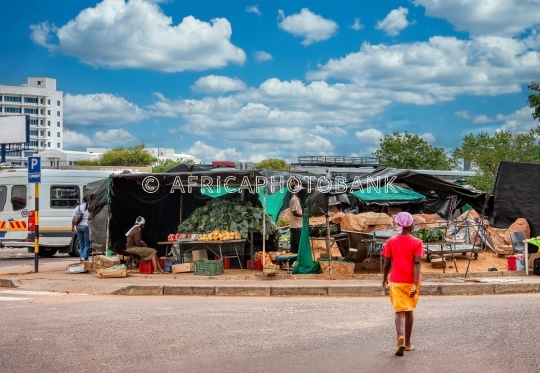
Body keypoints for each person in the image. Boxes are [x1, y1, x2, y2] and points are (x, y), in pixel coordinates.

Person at [381, 212, 423, 356]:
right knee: (409, 310)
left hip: (396, 281)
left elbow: (386, 263)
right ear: (411, 224)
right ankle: (408, 344)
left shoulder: (391, 241)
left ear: (398, 224)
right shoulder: (417, 242)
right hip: (411, 281)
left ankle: (400, 335)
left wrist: (384, 278)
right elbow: (417, 264)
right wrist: (415, 284)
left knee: (399, 311)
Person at [71, 196, 90, 261]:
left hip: (78, 227)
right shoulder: (89, 208)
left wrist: (72, 227)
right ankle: (84, 257)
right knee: (87, 244)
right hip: (86, 227)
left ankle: (82, 258)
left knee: (81, 244)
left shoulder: (78, 207)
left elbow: (73, 218)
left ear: (82, 200)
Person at [289, 189, 303, 254]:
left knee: (298, 245)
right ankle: (293, 261)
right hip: (295, 227)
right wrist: (303, 215)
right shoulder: (294, 200)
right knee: (295, 245)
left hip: (299, 226)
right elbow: (294, 213)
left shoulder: (297, 200)